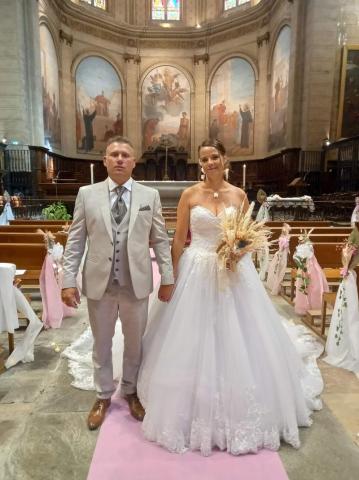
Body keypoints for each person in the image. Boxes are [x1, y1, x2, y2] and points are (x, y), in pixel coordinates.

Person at [136, 138, 323, 456]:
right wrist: (169, 278)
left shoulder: (239, 195)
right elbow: (179, 239)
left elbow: (246, 236)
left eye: (214, 157)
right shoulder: (189, 195)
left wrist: (238, 254)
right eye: (204, 159)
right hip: (197, 266)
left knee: (238, 330)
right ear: (200, 163)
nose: (209, 163)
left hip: (233, 271)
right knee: (192, 332)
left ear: (225, 160)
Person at [61, 135, 174, 430]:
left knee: (135, 345)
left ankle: (131, 391)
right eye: (114, 154)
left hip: (136, 284)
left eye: (125, 154)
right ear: (105, 160)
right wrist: (67, 280)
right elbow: (75, 242)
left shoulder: (150, 196)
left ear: (134, 161)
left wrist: (168, 277)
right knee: (101, 344)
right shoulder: (87, 194)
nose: (120, 159)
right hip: (100, 284)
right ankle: (102, 395)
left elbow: (161, 240)